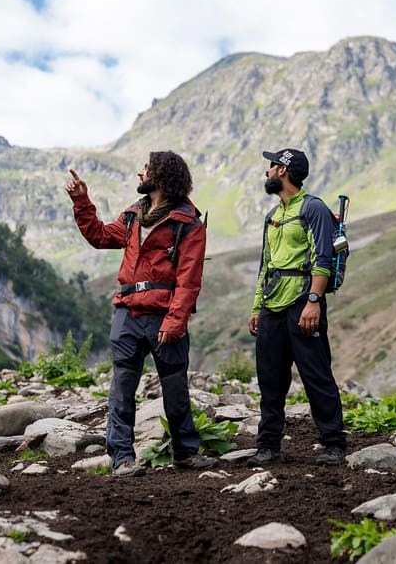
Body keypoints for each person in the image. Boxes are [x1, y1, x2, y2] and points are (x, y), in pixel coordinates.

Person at [66, 151, 217, 477]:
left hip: (164, 316)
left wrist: (176, 320)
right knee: (122, 388)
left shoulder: (189, 224)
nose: (139, 173)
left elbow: (189, 279)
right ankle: (122, 458)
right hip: (127, 313)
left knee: (174, 387)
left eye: (145, 169)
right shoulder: (134, 215)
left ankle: (185, 453)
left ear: (160, 176)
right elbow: (101, 237)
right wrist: (82, 202)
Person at [247, 148, 347, 466]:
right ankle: (268, 446)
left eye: (272, 166)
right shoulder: (273, 215)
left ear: (284, 171)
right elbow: (266, 265)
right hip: (272, 305)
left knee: (316, 374)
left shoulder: (313, 208)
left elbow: (324, 259)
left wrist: (314, 302)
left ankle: (334, 443)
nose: (267, 171)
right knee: (270, 378)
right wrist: (256, 307)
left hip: (303, 301)